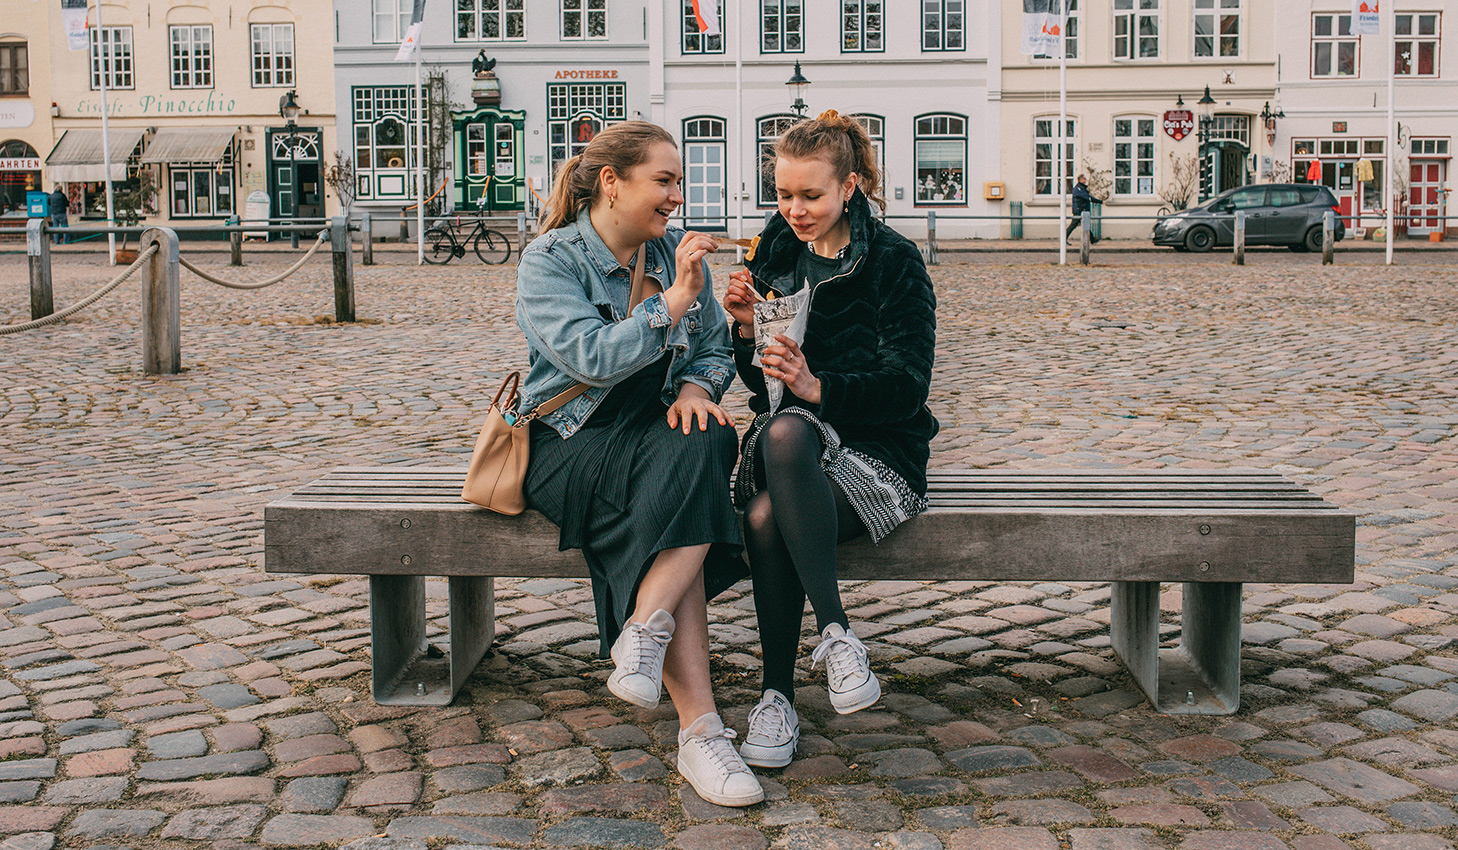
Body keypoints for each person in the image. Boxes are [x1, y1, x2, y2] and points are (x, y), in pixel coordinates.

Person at [515, 121, 763, 807]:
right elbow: (590, 358)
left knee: (710, 438)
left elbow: (713, 350)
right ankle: (702, 733)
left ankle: (644, 633)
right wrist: (674, 301)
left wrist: (694, 387)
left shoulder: (671, 253)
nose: (677, 196)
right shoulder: (550, 261)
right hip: (573, 443)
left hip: (657, 431)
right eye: (665, 180)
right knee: (684, 485)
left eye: (678, 181)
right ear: (613, 183)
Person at [722, 110, 938, 768]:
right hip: (795, 445)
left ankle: (778, 696)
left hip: (876, 453)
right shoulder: (776, 253)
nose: (794, 209)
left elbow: (908, 385)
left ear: (849, 186)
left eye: (810, 195)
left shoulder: (894, 262)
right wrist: (742, 332)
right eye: (783, 195)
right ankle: (836, 639)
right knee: (785, 430)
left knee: (765, 510)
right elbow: (764, 392)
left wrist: (821, 388)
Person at [1066, 174, 1099, 244]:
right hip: (1079, 210)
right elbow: (1087, 197)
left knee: (1085, 224)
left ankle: (1092, 240)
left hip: (1082, 210)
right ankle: (1064, 238)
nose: (1085, 180)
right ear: (1080, 179)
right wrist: (1099, 201)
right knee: (1073, 225)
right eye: (1084, 179)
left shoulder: (1081, 188)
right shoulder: (1078, 189)